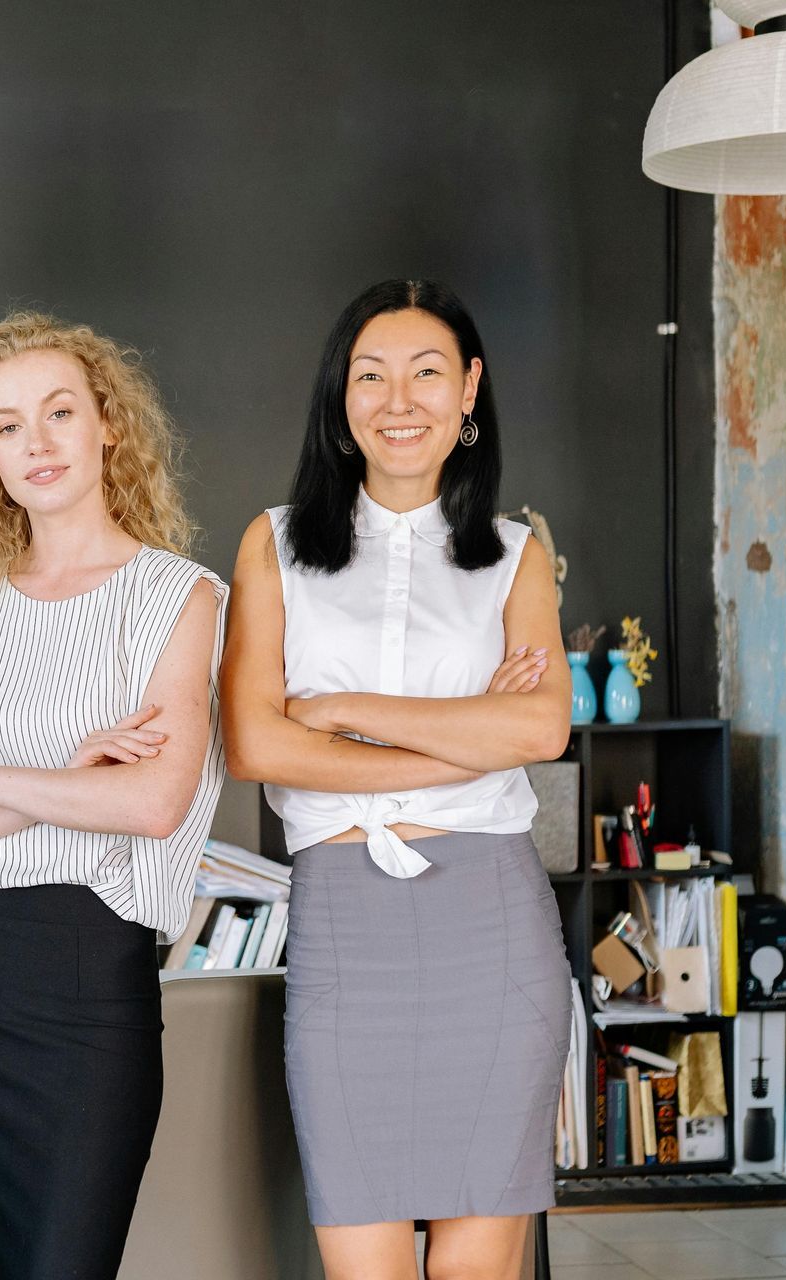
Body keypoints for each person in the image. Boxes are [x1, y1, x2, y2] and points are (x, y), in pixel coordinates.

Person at [221, 279, 572, 1280]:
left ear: (469, 390)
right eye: (369, 375)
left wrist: (341, 710)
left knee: (478, 1265)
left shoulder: (516, 554)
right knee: (363, 1258)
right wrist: (467, 738)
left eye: (426, 372)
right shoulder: (275, 543)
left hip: (491, 925)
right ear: (341, 398)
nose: (398, 398)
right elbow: (254, 743)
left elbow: (541, 726)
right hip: (345, 930)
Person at [0, 312, 226, 1280]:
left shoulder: (176, 595)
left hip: (86, 969)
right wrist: (75, 783)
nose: (34, 443)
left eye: (59, 411)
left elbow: (155, 803)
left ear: (109, 424)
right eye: (5, 425)